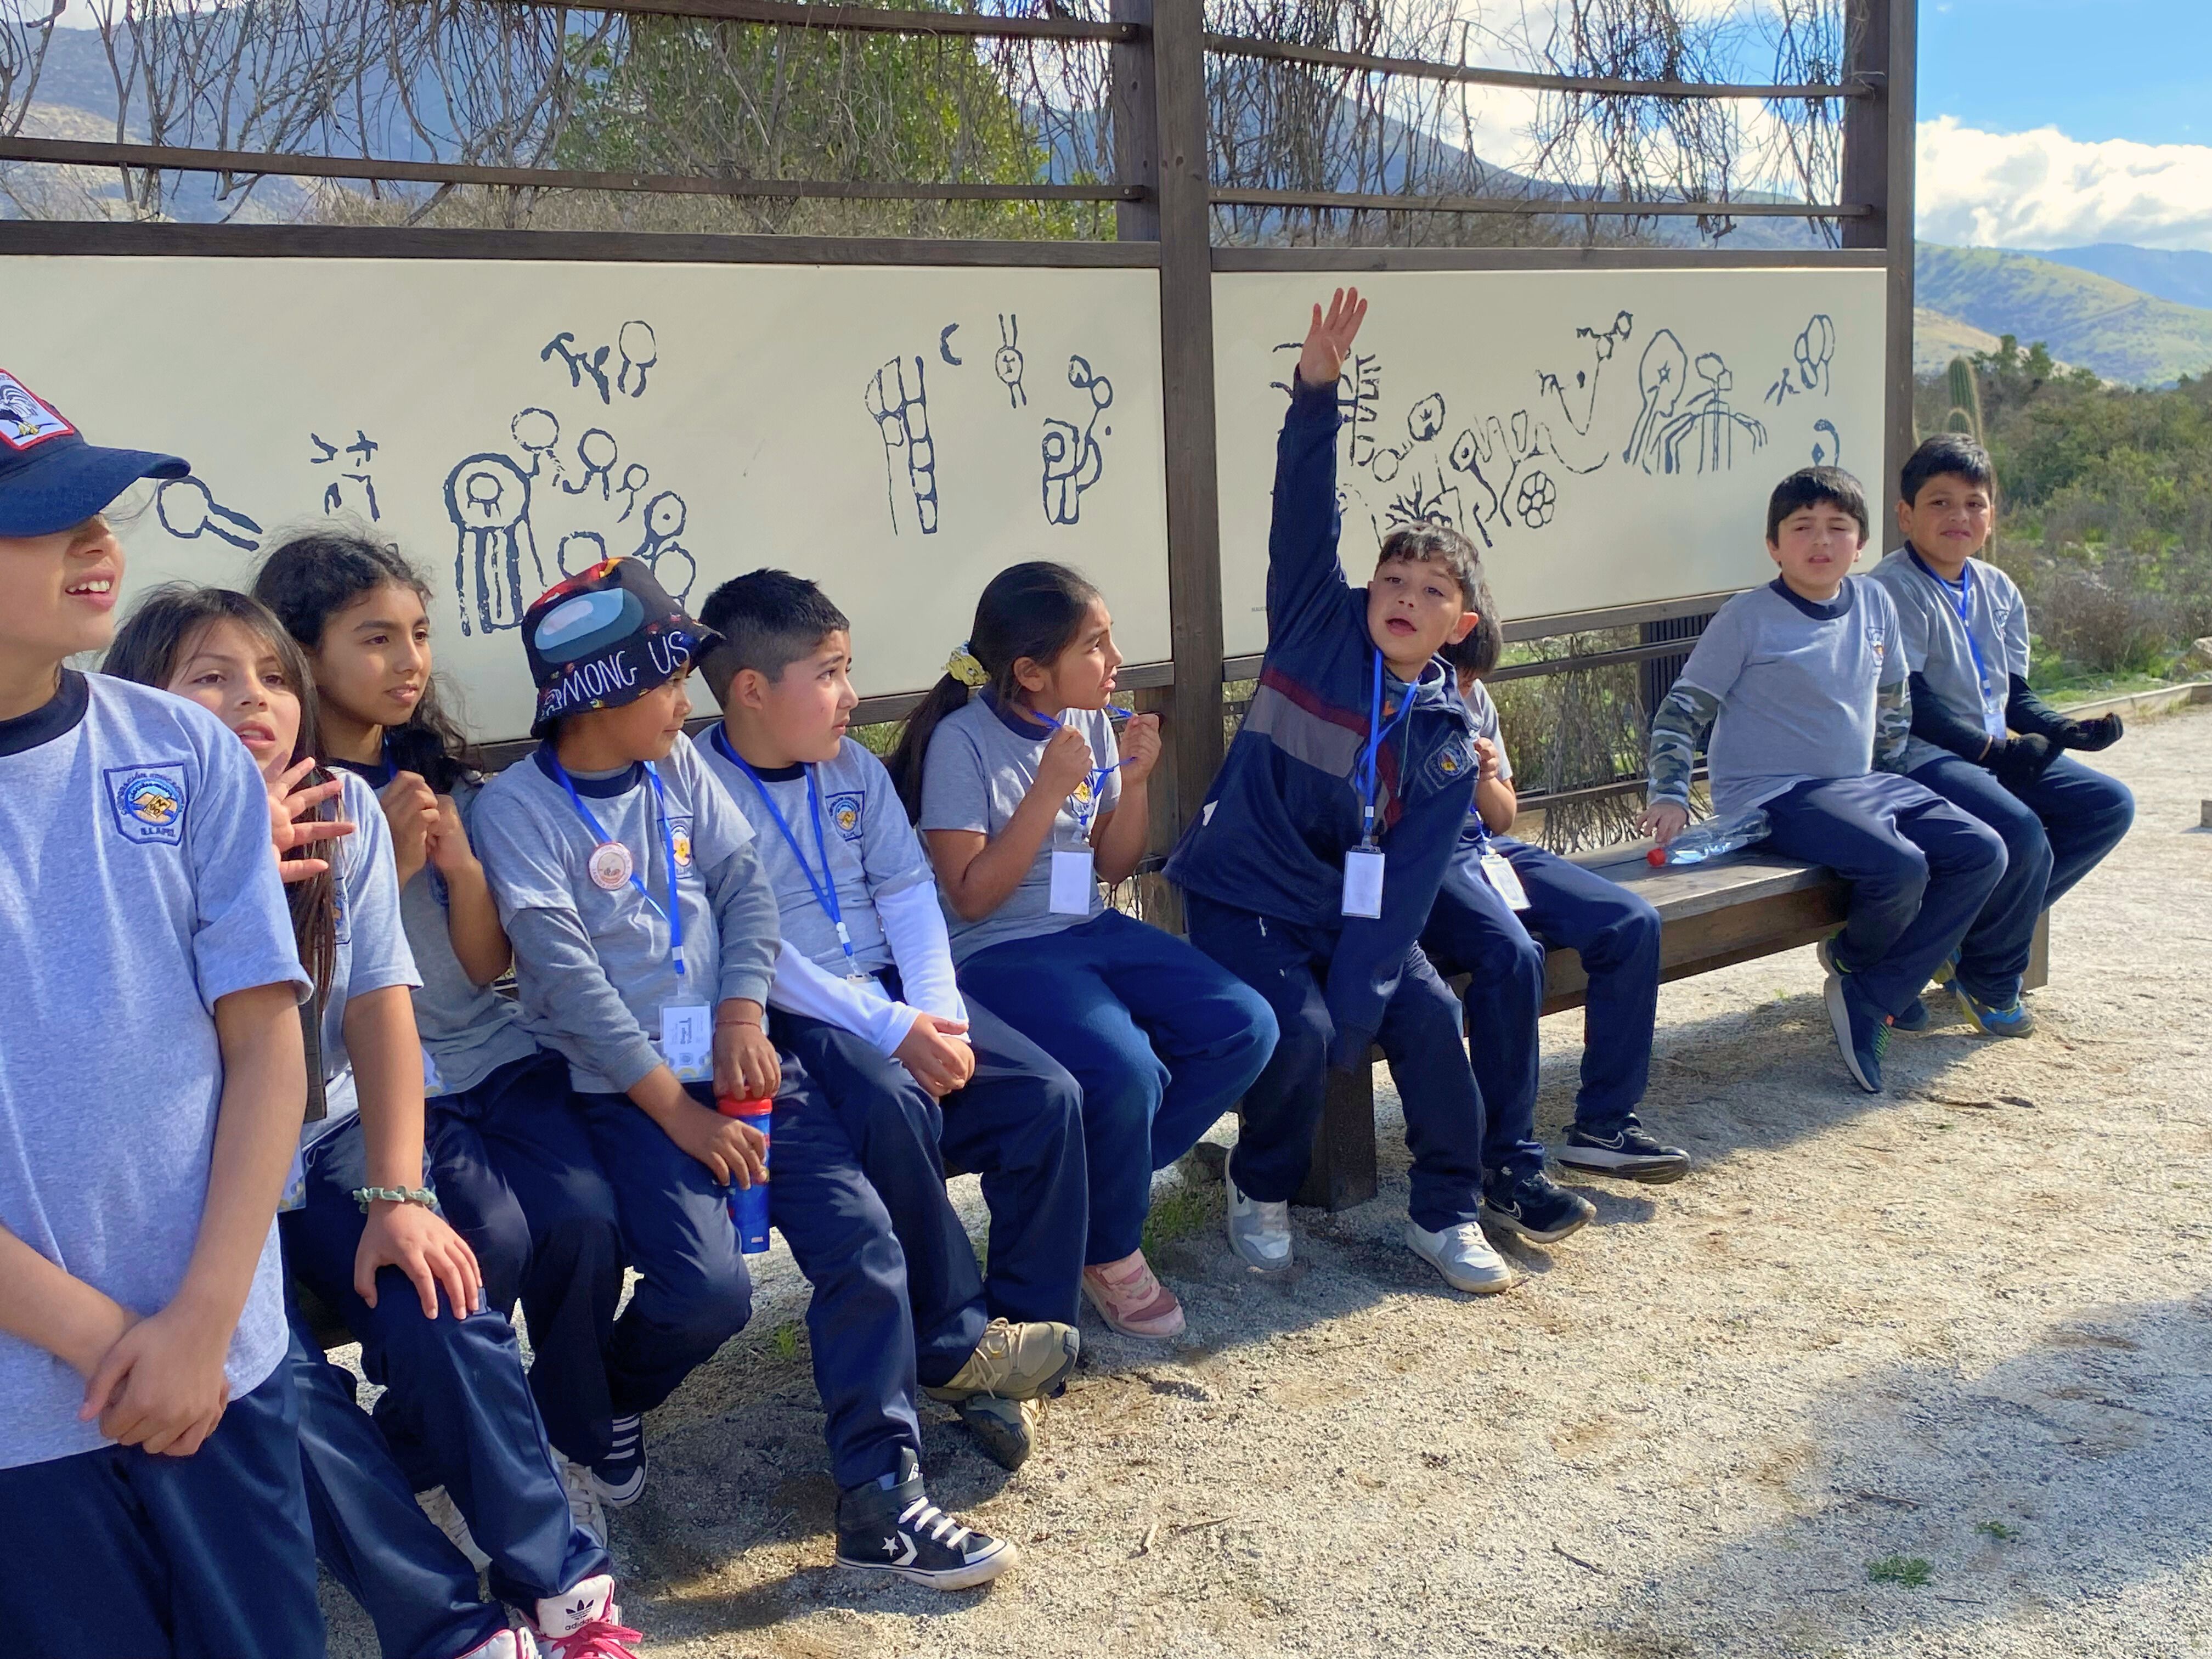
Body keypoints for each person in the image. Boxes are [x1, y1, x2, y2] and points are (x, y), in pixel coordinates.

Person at [106, 585, 633, 1659]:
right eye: (209, 678)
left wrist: (399, 1195)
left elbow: (385, 1019)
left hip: (333, 1137)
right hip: (195, 1171)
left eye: (267, 678)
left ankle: (562, 1584)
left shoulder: (341, 811)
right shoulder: (118, 843)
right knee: (272, 1375)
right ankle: (447, 1629)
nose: (253, 702)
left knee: (440, 1290)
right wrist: (227, 861)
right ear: (138, 708)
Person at [478, 557, 1018, 1589]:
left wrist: (736, 1010)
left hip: (739, 1060)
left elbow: (744, 888)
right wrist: (681, 1118)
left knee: (861, 1243)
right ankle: (599, 1405)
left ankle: (880, 1492)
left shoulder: (676, 767)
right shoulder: (514, 813)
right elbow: (574, 986)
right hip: (624, 1093)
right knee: (707, 1290)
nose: (685, 702)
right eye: (664, 682)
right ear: (597, 693)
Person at [0, 383, 328, 1659]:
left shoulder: (183, 759)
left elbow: (264, 1048)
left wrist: (196, 1327)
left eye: (100, 508)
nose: (98, 541)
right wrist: (113, 1347)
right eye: (43, 517)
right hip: (27, 1423)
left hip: (222, 1372)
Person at [254, 534, 626, 1520]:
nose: (410, 661)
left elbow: (482, 963)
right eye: (375, 638)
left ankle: (567, 1430)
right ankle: (440, 1444)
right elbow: (302, 983)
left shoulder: (436, 776)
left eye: (418, 634)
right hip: (380, 1085)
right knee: (489, 1241)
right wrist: (391, 871)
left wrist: (456, 863)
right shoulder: (284, 802)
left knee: (586, 1213)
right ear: (303, 653)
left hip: (489, 1055)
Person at [693, 568, 1086, 1474]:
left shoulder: (854, 766)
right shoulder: (700, 790)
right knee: (893, 1102)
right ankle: (956, 1340)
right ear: (752, 688)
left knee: (1047, 1095)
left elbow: (909, 892)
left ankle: (1015, 1333)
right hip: (808, 1009)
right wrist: (889, 1028)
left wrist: (939, 1015)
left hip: (904, 989)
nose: (851, 694)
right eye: (828, 671)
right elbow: (764, 957)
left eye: (848, 666)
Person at [1164, 289, 1516, 1295]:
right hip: (1245, 889)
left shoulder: (1448, 736)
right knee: (1303, 1030)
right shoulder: (1314, 623)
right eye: (1390, 581)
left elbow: (1401, 889)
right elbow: (1302, 506)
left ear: (1458, 624)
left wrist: (1368, 990)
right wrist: (1316, 391)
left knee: (1422, 1020)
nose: (1402, 599)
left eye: (1429, 592)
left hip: (1352, 908)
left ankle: (1446, 1211)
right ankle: (1260, 1182)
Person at [887, 562, 1278, 1341]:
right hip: (997, 952)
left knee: (1248, 1025)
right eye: (1094, 646)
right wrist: (1043, 790)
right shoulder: (963, 742)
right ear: (1030, 672)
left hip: (1087, 929)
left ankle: (1096, 1198)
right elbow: (968, 895)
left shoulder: (1088, 721)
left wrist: (1133, 784)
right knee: (1125, 1068)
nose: (1115, 660)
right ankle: (1109, 1249)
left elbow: (1110, 865)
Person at [1640, 466, 2007, 1094]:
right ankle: (1866, 974)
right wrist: (1670, 794)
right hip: (1773, 794)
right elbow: (1681, 713)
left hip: (1858, 785)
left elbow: (1893, 708)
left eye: (1838, 528)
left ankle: (1873, 984)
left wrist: (1897, 789)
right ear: (1774, 545)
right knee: (1899, 867)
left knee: (1983, 850)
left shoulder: (1874, 602)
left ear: (1860, 544)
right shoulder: (1748, 617)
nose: (1820, 541)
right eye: (1802, 527)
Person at [1421, 594, 1691, 1196]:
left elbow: (1503, 818)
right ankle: (1507, 1157)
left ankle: (1605, 1124)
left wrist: (1486, 776)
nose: (1461, 686)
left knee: (1631, 921)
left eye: (1470, 677)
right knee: (1515, 955)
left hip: (1486, 850)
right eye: (1453, 672)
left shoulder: (1473, 697)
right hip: (1427, 856)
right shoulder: (1392, 693)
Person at [1867, 434, 2134, 1035]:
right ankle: (1991, 982)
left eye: (1974, 503)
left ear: (1992, 515)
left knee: (2106, 806)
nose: (1958, 517)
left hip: (1988, 752)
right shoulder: (1891, 588)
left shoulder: (1997, 587)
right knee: (2020, 832)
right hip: (1919, 756)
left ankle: (1964, 940)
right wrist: (1999, 751)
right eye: (1939, 503)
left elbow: (2014, 695)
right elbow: (1915, 703)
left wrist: (2066, 730)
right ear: (1905, 513)